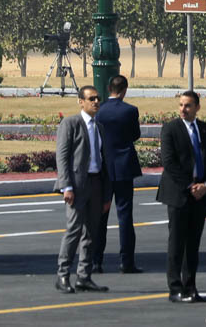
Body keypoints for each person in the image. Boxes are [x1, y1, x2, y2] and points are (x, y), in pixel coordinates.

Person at [156, 90, 206, 303]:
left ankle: (190, 287)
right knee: (177, 243)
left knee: (193, 244)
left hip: (201, 195)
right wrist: (191, 185)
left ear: (197, 108)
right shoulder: (170, 129)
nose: (183, 109)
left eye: (188, 105)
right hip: (179, 194)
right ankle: (175, 288)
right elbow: (169, 163)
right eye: (181, 105)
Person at [54, 86, 109, 294]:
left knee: (91, 233)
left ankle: (84, 277)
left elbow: (104, 161)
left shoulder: (99, 127)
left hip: (96, 183)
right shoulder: (71, 124)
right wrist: (66, 186)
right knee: (74, 230)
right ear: (81, 102)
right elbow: (62, 157)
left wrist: (106, 193)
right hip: (77, 185)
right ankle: (63, 275)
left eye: (98, 98)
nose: (96, 102)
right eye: (91, 99)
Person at [95, 75, 142, 274]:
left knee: (100, 217)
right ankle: (126, 261)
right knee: (125, 216)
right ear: (124, 90)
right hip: (124, 167)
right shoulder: (130, 110)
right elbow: (135, 135)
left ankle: (96, 261)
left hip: (104, 167)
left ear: (108, 88)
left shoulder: (100, 110)